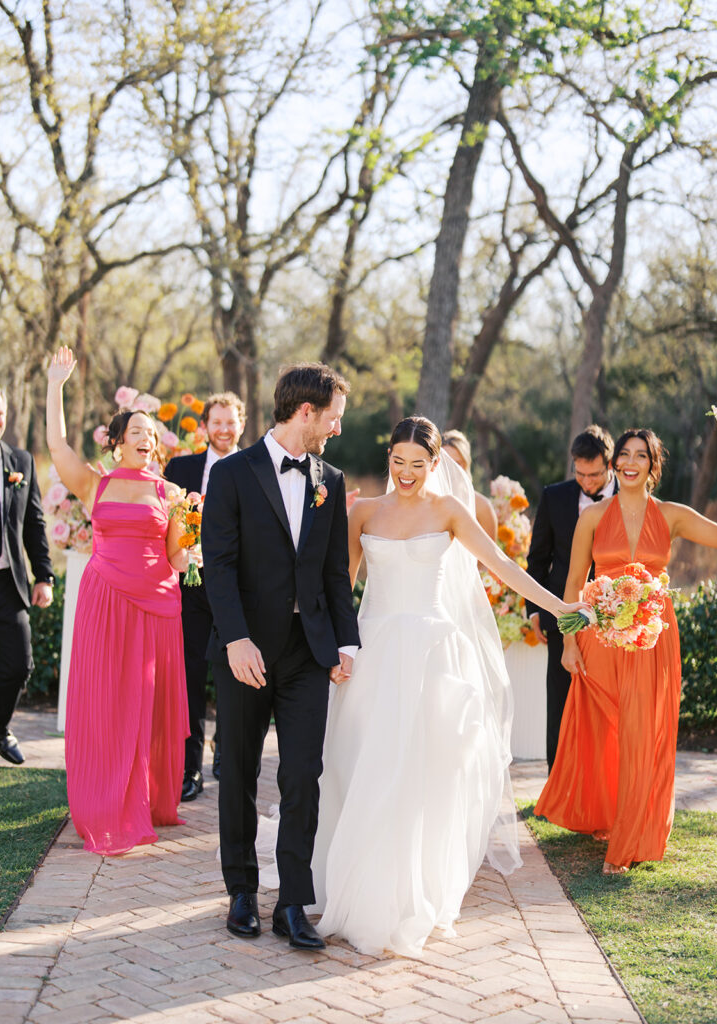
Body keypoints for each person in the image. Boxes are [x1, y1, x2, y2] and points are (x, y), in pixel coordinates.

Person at [309, 416, 589, 957]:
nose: (407, 472)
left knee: (422, 775)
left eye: (418, 463)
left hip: (433, 655)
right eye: (398, 461)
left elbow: (502, 563)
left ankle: (412, 893)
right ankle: (356, 883)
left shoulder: (449, 512)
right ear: (388, 458)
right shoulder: (363, 512)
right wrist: (333, 649)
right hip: (375, 654)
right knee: (362, 768)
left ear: (436, 464)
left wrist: (558, 606)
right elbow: (339, 586)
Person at [201, 362, 360, 950]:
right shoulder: (234, 473)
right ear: (305, 413)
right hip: (245, 649)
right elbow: (216, 565)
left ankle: (293, 901)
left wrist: (346, 642)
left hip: (307, 653)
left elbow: (335, 573)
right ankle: (242, 892)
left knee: (303, 775)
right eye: (333, 420)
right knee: (239, 770)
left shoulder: (331, 479)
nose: (336, 431)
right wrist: (237, 639)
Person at [535, 428, 717, 874]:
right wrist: (568, 642)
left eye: (639, 456)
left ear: (653, 464)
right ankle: (608, 815)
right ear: (613, 463)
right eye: (623, 455)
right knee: (606, 729)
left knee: (641, 733)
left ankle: (628, 841)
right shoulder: (592, 516)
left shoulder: (672, 515)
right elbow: (572, 584)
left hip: (651, 640)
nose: (629, 462)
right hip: (600, 637)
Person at [46, 346, 189, 855]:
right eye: (137, 433)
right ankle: (102, 802)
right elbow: (56, 442)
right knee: (106, 701)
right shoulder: (94, 483)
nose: (146, 439)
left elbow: (176, 559)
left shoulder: (172, 494)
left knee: (145, 705)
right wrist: (56, 386)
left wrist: (188, 540)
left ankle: (147, 799)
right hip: (104, 601)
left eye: (151, 434)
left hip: (155, 606)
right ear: (118, 442)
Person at [0, 381, 54, 764]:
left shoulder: (20, 461)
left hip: (6, 582)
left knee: (19, 666)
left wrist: (45, 576)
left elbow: (34, 523)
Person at [165, 392, 246, 801]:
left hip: (237, 591)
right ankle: (189, 767)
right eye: (216, 422)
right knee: (191, 677)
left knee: (233, 678)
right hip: (192, 588)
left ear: (241, 424)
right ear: (205, 426)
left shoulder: (254, 469)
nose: (224, 429)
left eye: (230, 422)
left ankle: (225, 753)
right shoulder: (180, 468)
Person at [526, 425, 616, 771]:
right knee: (560, 702)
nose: (587, 482)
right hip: (560, 614)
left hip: (614, 616)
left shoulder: (630, 497)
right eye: (580, 473)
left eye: (594, 475)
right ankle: (556, 786)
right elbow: (538, 557)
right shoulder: (555, 496)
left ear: (609, 465)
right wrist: (534, 611)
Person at [441, 428, 498, 540]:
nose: (451, 470)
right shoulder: (427, 502)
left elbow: (486, 557)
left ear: (466, 465)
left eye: (457, 464)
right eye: (445, 463)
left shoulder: (482, 508)